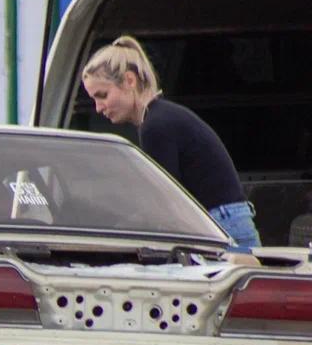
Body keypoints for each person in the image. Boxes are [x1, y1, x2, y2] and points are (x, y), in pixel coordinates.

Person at [81, 35, 261, 249]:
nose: (98, 108)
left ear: (130, 81)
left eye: (102, 95)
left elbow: (165, 202)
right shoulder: (163, 116)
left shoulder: (155, 126)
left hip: (220, 225)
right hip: (228, 219)